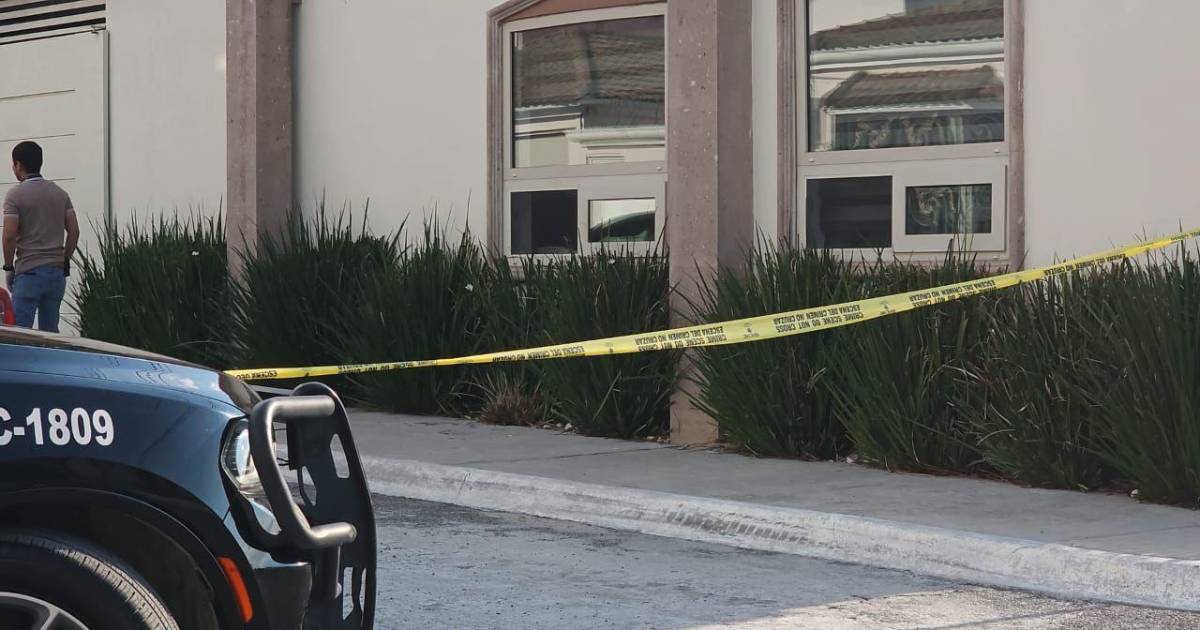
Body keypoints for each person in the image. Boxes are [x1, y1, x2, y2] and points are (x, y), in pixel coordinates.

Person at [2, 141, 80, 333]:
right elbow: (74, 231)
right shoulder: (60, 194)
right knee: (50, 334)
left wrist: (9, 267)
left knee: (20, 334)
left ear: (18, 165)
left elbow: (9, 235)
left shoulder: (15, 195)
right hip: (56, 275)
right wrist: (65, 260)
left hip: (29, 272)